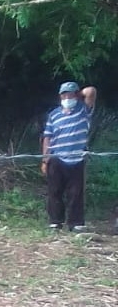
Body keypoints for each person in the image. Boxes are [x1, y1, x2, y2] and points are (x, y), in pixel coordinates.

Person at [41, 81, 97, 231]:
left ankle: (76, 223)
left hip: (77, 158)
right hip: (56, 158)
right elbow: (48, 137)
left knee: (75, 193)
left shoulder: (84, 110)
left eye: (71, 94)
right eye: (65, 94)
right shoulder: (54, 115)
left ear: (77, 95)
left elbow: (91, 91)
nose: (67, 97)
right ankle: (55, 222)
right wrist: (45, 159)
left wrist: (78, 95)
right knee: (54, 192)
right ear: (60, 96)